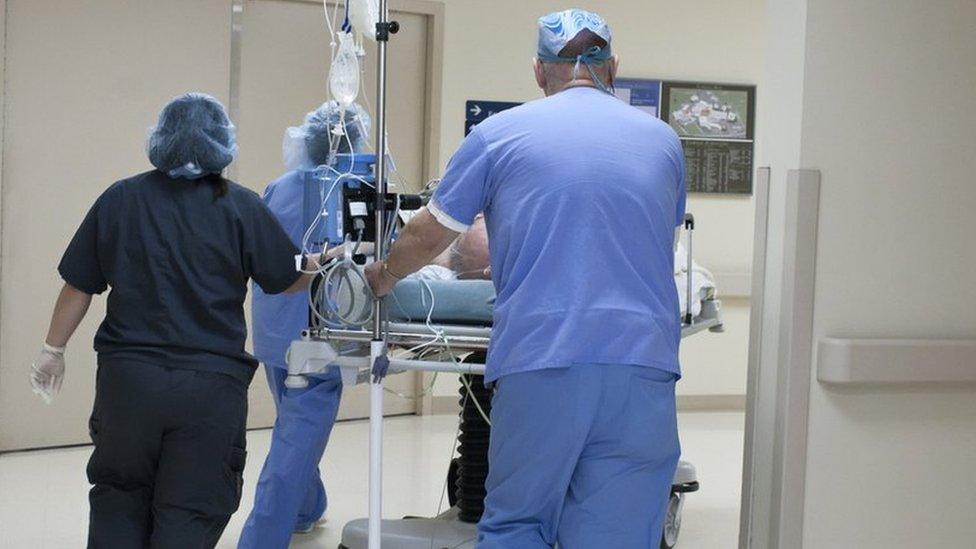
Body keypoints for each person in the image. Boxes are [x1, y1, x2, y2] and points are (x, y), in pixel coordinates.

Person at [365, 9, 686, 548]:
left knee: (518, 526)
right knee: (618, 534)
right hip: (643, 367)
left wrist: (384, 274)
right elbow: (662, 240)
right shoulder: (663, 142)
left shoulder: (499, 136)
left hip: (544, 361)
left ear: (539, 71)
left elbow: (430, 234)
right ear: (614, 68)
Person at [29, 93, 320, 548]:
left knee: (118, 499)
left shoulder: (120, 199)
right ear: (223, 144)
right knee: (191, 508)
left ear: (160, 139)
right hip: (208, 388)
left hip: (129, 386)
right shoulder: (241, 207)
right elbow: (285, 278)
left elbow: (79, 285)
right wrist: (325, 262)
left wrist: (53, 350)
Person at [238, 101, 370, 548]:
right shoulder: (359, 188)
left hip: (276, 327)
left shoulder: (280, 186)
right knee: (295, 437)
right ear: (356, 142)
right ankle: (261, 539)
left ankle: (306, 507)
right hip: (323, 332)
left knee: (294, 423)